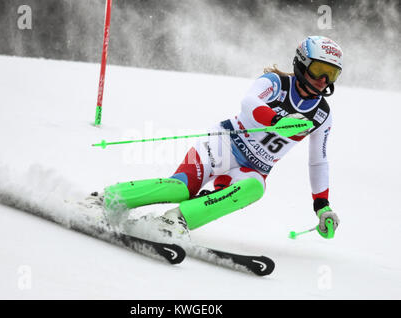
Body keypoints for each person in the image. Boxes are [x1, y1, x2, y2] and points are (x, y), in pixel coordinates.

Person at [99, 35, 342, 241]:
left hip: (253, 168)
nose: (324, 81)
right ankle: (108, 198)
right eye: (319, 70)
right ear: (302, 63)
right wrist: (277, 122)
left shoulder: (322, 115)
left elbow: (318, 161)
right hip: (223, 145)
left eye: (332, 74)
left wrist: (322, 206)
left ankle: (176, 220)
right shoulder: (276, 83)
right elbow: (249, 103)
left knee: (256, 188)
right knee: (181, 188)